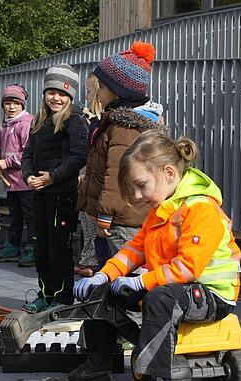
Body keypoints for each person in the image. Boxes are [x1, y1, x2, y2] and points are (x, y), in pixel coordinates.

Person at [68, 130, 241, 381]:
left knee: (160, 298)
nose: (136, 195)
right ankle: (97, 367)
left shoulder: (200, 209)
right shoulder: (163, 208)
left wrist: (139, 281)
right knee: (105, 293)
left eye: (141, 185)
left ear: (169, 173)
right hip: (174, 287)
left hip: (211, 294)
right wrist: (105, 276)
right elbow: (135, 250)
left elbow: (189, 267)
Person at [77, 42, 165, 281]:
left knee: (123, 273)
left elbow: (117, 174)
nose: (98, 93)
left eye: (102, 87)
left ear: (119, 91)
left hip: (121, 220)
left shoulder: (124, 127)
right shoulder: (117, 123)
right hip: (118, 217)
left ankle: (128, 317)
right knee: (109, 271)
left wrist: (106, 215)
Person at [20, 64, 89, 313]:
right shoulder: (39, 121)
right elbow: (27, 154)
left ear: (70, 96)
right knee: (40, 246)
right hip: (39, 193)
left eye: (62, 94)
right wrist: (28, 176)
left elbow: (79, 156)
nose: (56, 98)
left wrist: (52, 177)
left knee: (58, 249)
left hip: (61, 195)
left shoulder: (75, 120)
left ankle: (63, 298)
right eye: (51, 92)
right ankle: (45, 293)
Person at [0, 85, 35, 266]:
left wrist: (6, 163)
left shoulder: (25, 124)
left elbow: (27, 153)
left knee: (30, 217)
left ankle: (32, 247)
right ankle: (12, 246)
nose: (11, 107)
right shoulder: (5, 125)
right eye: (8, 103)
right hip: (10, 182)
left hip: (24, 181)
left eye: (16, 103)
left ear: (22, 105)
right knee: (15, 216)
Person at [74, 74, 103, 278]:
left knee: (92, 223)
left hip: (94, 182)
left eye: (88, 92)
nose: (85, 97)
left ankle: (91, 261)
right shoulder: (91, 121)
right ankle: (89, 260)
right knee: (87, 221)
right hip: (89, 179)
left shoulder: (98, 123)